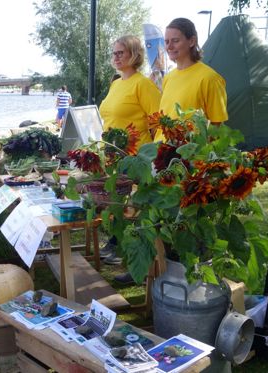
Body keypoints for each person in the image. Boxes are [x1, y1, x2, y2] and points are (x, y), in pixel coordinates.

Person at [98, 35, 161, 269]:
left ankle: (131, 255)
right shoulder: (116, 83)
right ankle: (116, 242)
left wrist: (152, 158)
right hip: (114, 154)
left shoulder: (142, 84)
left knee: (135, 207)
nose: (115, 57)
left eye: (120, 53)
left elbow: (157, 120)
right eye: (113, 53)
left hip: (136, 157)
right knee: (116, 202)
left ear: (134, 54)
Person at [156, 17, 228, 142]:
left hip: (190, 156)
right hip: (161, 153)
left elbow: (217, 126)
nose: (169, 46)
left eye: (175, 41)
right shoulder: (168, 78)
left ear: (192, 41)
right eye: (166, 42)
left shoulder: (210, 78)